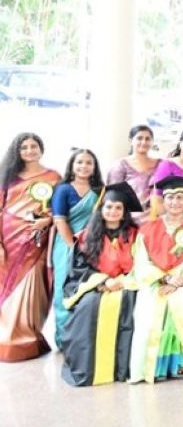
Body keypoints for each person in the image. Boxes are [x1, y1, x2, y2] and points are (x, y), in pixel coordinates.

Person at [128, 176, 183, 383]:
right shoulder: (147, 230)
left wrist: (180, 281)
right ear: (163, 201)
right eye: (170, 198)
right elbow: (141, 263)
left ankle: (178, 364)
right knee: (148, 311)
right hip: (156, 282)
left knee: (181, 302)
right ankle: (148, 368)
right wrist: (165, 278)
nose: (175, 202)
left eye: (180, 197)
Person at [60, 182, 141, 386]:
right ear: (101, 209)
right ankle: (90, 369)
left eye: (118, 207)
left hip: (128, 284)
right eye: (109, 206)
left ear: (124, 212)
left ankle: (123, 369)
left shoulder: (136, 235)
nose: (113, 211)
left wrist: (122, 281)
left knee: (131, 305)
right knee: (89, 306)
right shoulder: (86, 236)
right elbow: (78, 269)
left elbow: (144, 263)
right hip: (96, 285)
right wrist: (103, 281)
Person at [0, 133, 61, 362]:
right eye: (24, 147)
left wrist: (48, 220)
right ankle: (6, 335)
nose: (29, 151)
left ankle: (28, 334)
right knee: (7, 284)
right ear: (17, 151)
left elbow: (60, 209)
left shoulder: (53, 177)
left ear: (41, 149)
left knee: (32, 284)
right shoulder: (7, 176)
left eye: (33, 146)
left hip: (37, 240)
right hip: (9, 237)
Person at [50, 148, 103, 347]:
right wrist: (74, 246)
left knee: (89, 289)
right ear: (72, 165)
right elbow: (60, 220)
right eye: (79, 162)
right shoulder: (63, 189)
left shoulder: (100, 191)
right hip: (67, 246)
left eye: (89, 162)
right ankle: (64, 340)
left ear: (94, 167)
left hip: (93, 246)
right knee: (64, 289)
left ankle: (84, 339)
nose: (84, 166)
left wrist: (90, 245)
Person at [106, 124, 158, 222]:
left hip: (156, 219)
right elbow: (113, 196)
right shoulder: (120, 166)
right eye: (139, 138)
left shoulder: (161, 164)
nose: (144, 142)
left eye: (147, 139)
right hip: (129, 221)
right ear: (130, 140)